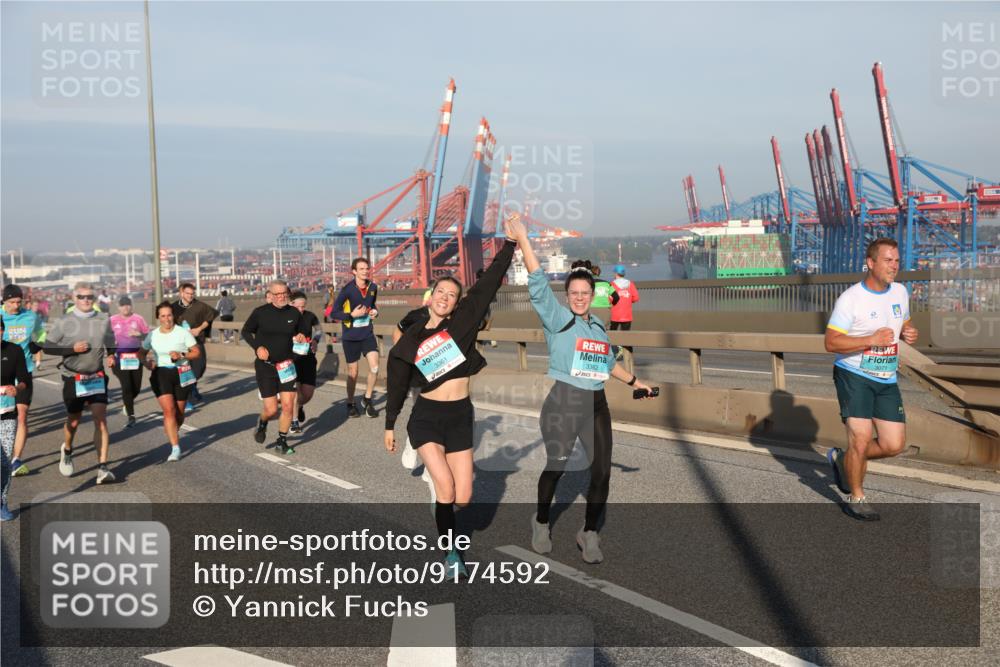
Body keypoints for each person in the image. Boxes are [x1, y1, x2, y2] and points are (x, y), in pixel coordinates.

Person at [383, 217, 519, 579]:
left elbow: (489, 284)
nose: (445, 299)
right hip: (426, 416)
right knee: (444, 485)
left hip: (460, 415)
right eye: (440, 293)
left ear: (457, 302)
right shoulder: (412, 336)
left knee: (463, 497)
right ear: (431, 296)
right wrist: (389, 424)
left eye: (452, 295)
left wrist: (509, 243)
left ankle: (442, 507)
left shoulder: (462, 325)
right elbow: (396, 380)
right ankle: (450, 552)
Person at [515, 231, 656, 565]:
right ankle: (541, 521)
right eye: (574, 293)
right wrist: (522, 238)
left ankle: (589, 532)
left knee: (601, 472)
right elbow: (536, 280)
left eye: (585, 293)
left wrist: (637, 382)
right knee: (556, 469)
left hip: (595, 405)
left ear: (594, 295)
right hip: (563, 404)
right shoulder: (557, 319)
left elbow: (608, 363)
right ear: (566, 296)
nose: (579, 298)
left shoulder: (597, 328)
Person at [824, 238, 917, 521]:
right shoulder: (851, 299)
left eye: (897, 261)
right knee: (861, 439)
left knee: (893, 445)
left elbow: (904, 321)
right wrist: (870, 340)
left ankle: (843, 459)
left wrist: (909, 332)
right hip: (854, 375)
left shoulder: (900, 292)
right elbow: (831, 343)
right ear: (870, 263)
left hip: (886, 377)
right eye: (888, 261)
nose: (894, 266)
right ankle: (857, 496)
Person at [44, 282, 118, 484]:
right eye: (82, 297)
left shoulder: (103, 319)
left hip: (96, 376)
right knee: (74, 420)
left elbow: (110, 342)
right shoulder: (65, 321)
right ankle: (67, 449)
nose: (86, 300)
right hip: (72, 376)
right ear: (74, 299)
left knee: (100, 418)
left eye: (90, 297)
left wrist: (112, 355)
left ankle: (102, 467)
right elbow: (48, 347)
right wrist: (71, 349)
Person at [241, 280, 311, 454]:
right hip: (266, 366)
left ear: (288, 293)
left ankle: (281, 441)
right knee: (272, 409)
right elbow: (245, 331)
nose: (281, 297)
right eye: (277, 294)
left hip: (287, 366)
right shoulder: (260, 313)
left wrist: (302, 335)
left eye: (284, 293)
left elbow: (304, 331)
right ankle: (262, 422)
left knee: (287, 406)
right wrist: (257, 347)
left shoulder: (294, 313)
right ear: (270, 295)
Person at [140, 302, 201, 461]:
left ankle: (173, 427)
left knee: (179, 414)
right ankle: (175, 448)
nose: (167, 319)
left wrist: (182, 355)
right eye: (163, 316)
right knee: (169, 411)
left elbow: (196, 352)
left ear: (173, 316)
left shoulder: (182, 333)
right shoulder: (153, 335)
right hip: (161, 373)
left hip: (182, 373)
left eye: (169, 315)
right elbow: (141, 353)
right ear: (158, 318)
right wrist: (147, 363)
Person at [331, 258, 381, 418]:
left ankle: (367, 399)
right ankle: (350, 403)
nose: (365, 271)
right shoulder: (347, 290)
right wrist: (351, 315)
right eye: (361, 269)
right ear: (354, 271)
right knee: (353, 372)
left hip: (367, 334)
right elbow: (334, 313)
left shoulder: (373, 287)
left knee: (375, 367)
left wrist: (375, 312)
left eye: (367, 268)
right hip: (351, 337)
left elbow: (373, 305)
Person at [2, 284, 41, 478]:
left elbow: (41, 333)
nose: (16, 305)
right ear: (4, 301)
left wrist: (37, 344)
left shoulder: (30, 317)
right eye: (12, 302)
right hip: (4, 373)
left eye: (19, 301)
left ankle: (16, 459)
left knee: (22, 416)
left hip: (24, 372)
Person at [1, 316, 31, 520]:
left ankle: (2, 501)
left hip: (7, 414)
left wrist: (16, 388)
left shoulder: (14, 350)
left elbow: (25, 379)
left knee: (4, 463)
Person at [171, 283, 217, 403]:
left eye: (192, 294)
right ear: (182, 293)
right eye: (188, 293)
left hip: (196, 342)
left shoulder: (199, 305)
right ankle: (188, 395)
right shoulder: (174, 307)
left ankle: (192, 386)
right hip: (180, 344)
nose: (191, 296)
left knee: (199, 368)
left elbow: (210, 316)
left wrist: (199, 329)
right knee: (185, 370)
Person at [109, 296, 150, 428]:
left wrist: (139, 334)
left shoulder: (138, 319)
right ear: (118, 307)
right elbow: (105, 337)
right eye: (122, 305)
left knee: (136, 387)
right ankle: (131, 416)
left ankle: (127, 403)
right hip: (119, 358)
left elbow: (149, 336)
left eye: (127, 305)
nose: (125, 307)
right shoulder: (112, 320)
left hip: (135, 357)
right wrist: (109, 353)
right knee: (126, 386)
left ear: (131, 306)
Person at [289, 291, 323, 434]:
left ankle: (299, 406)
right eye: (299, 307)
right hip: (292, 358)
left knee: (307, 394)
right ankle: (294, 421)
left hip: (308, 358)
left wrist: (316, 340)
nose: (302, 309)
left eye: (304, 306)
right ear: (292, 304)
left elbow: (319, 329)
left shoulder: (310, 316)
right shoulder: (286, 318)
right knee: (295, 390)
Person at [609, 264, 640, 360]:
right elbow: (636, 298)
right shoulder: (630, 284)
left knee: (612, 335)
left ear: (615, 273)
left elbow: (609, 299)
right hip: (627, 315)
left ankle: (614, 353)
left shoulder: (612, 284)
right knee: (626, 336)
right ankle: (628, 355)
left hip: (614, 315)